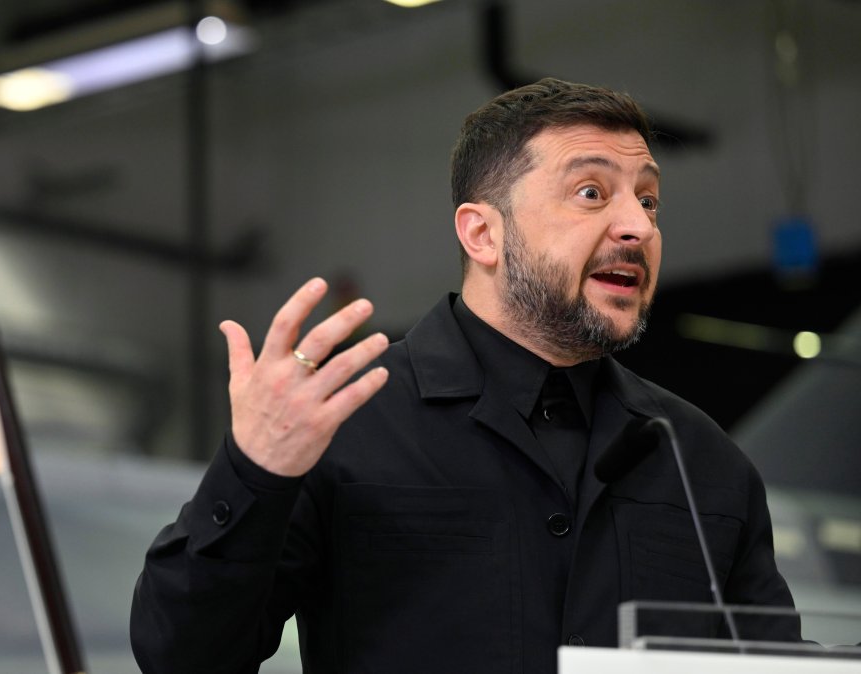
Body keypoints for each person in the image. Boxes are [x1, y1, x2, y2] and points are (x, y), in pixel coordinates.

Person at [130, 78, 798, 674]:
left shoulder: (700, 459)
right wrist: (256, 472)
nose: (637, 227)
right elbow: (182, 656)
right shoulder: (346, 422)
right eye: (592, 192)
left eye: (649, 202)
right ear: (483, 235)